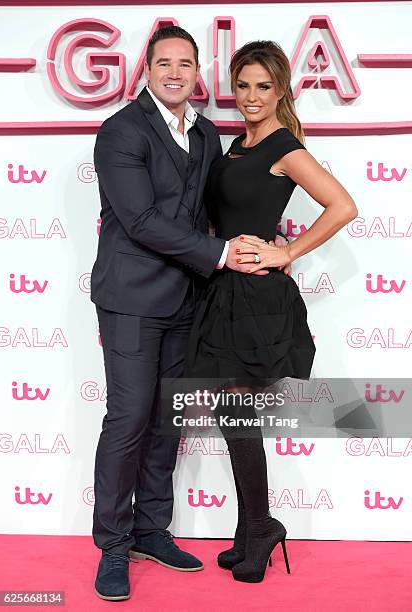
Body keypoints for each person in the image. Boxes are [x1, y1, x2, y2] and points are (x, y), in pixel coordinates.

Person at [90, 27, 288, 601]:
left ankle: (152, 530)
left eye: (185, 63)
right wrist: (225, 254)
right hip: (130, 300)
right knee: (127, 421)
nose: (175, 72)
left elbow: (215, 207)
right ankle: (112, 545)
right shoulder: (121, 131)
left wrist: (270, 248)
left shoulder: (204, 133)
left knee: (166, 424)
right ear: (146, 70)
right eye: (164, 63)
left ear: (196, 71)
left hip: (188, 301)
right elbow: (142, 220)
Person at [185, 40, 358, 583]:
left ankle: (259, 528)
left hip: (257, 301)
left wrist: (285, 251)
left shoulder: (283, 146)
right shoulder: (236, 144)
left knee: (238, 414)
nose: (252, 96)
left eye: (264, 86)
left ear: (281, 90)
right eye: (243, 85)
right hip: (223, 292)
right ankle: (252, 527)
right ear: (232, 88)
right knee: (229, 414)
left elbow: (344, 206)